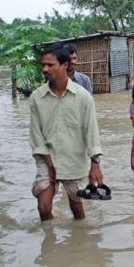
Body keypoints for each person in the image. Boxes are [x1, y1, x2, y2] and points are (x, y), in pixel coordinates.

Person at [29, 43, 104, 221]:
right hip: (46, 159)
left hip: (73, 158)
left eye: (50, 65)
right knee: (44, 207)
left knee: (76, 205)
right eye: (43, 65)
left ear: (64, 65)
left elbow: (91, 131)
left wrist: (95, 164)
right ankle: (50, 243)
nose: (45, 69)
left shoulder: (84, 97)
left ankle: (79, 240)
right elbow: (35, 134)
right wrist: (49, 163)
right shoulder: (37, 97)